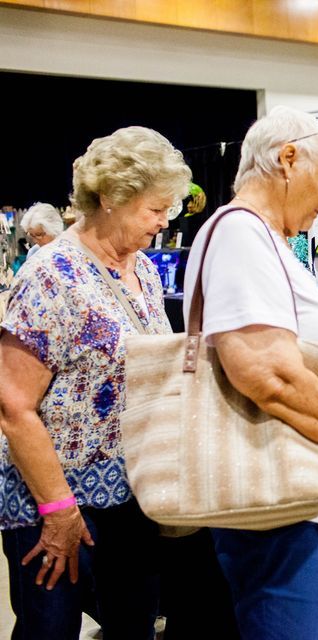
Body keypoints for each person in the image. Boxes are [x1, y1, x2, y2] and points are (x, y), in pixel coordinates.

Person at [181, 106, 318, 640]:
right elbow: (267, 372)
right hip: (279, 510)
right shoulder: (240, 234)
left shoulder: (258, 237)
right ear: (287, 160)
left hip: (293, 503)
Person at [0, 126, 191, 638]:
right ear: (109, 198)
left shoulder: (144, 271)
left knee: (133, 626)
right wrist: (58, 510)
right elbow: (13, 407)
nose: (164, 220)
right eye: (154, 208)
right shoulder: (50, 276)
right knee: (51, 630)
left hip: (134, 497)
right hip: (57, 502)